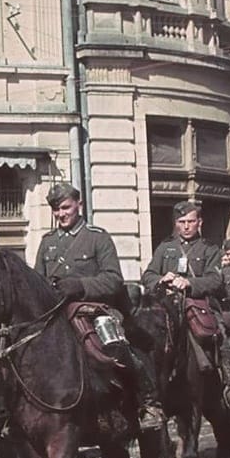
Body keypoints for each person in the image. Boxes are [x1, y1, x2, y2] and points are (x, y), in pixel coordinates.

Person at [38, 183, 164, 430]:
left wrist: (80, 285)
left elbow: (113, 279)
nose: (61, 214)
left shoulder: (97, 237)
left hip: (95, 311)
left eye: (65, 207)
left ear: (79, 205)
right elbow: (38, 280)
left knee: (115, 347)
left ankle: (148, 403)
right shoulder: (47, 242)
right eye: (56, 209)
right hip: (59, 312)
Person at [142, 201, 230, 406]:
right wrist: (161, 280)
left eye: (190, 221)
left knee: (217, 331)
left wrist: (189, 282)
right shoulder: (165, 247)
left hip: (200, 304)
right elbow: (148, 275)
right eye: (181, 222)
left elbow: (215, 280)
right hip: (168, 304)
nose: (186, 226)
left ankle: (229, 382)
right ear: (176, 224)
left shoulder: (210, 249)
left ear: (200, 222)